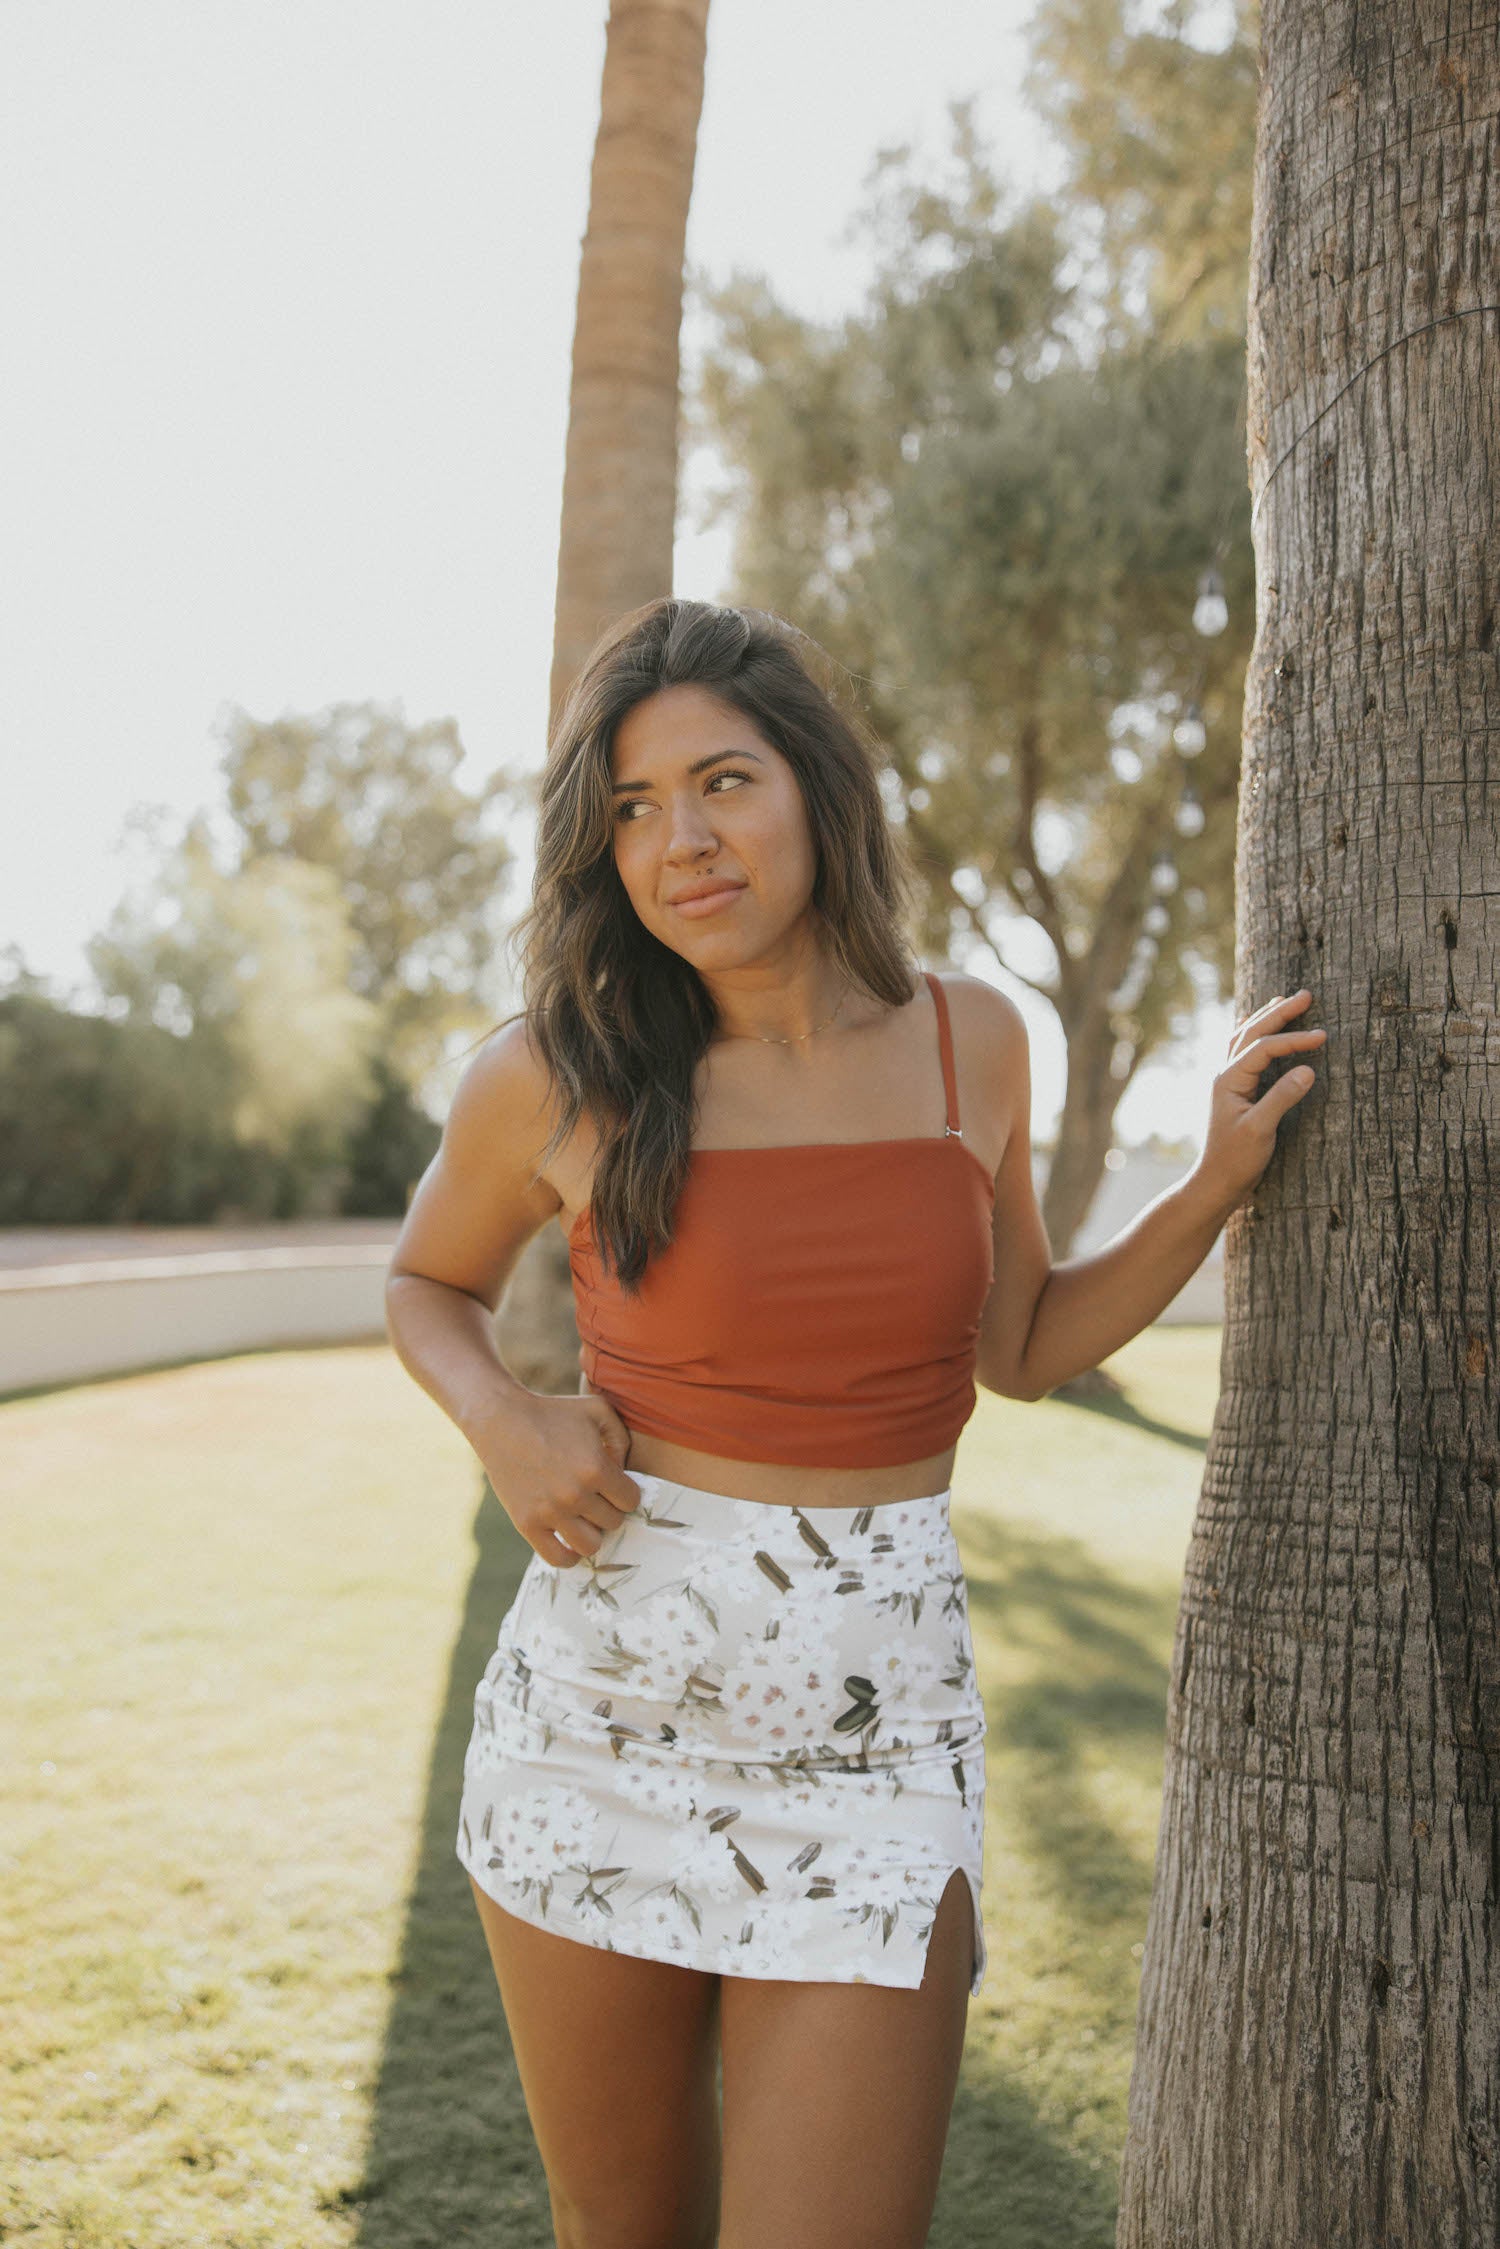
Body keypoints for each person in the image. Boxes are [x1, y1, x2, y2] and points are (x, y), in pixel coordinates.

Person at [383, 596, 1326, 2249]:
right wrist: (508, 1422)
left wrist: (1212, 1188)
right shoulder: (558, 1073)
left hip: (877, 1739)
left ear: (819, 787)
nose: (680, 839)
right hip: (596, 1719)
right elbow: (424, 1285)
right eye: (630, 808)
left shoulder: (975, 1043)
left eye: (721, 782)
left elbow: (1021, 1345)